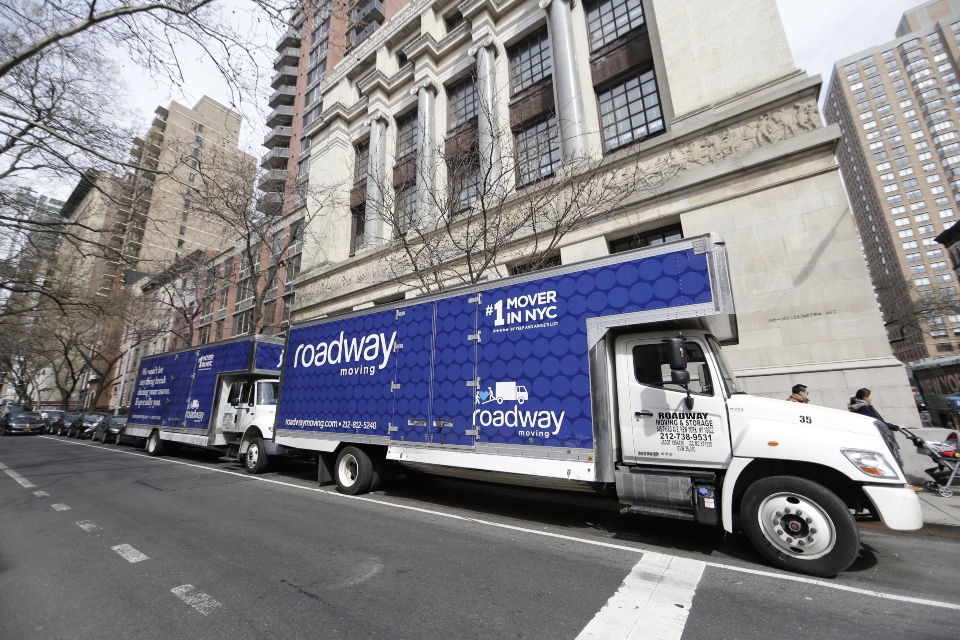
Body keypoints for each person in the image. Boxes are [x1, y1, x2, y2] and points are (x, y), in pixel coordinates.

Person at [848, 388, 923, 492]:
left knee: (894, 461)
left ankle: (906, 483)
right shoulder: (863, 408)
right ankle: (905, 484)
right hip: (879, 439)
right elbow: (877, 422)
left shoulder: (862, 407)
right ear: (865, 397)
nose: (872, 398)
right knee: (894, 460)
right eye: (871, 396)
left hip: (876, 438)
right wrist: (896, 427)